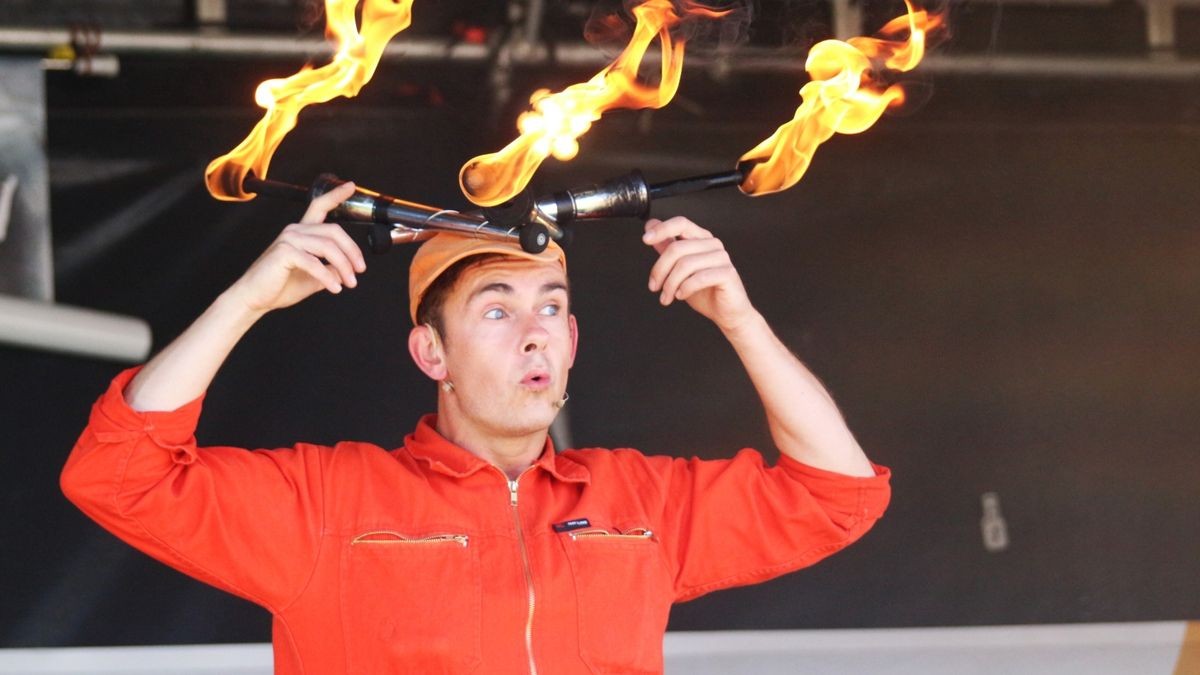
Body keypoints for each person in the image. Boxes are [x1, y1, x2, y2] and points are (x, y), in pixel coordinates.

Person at [62, 181, 891, 674]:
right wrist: (244, 299)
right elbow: (116, 475)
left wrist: (740, 320)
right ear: (432, 352)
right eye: (496, 309)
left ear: (570, 342)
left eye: (551, 309)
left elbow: (838, 495)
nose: (533, 331)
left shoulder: (642, 501)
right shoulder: (326, 502)